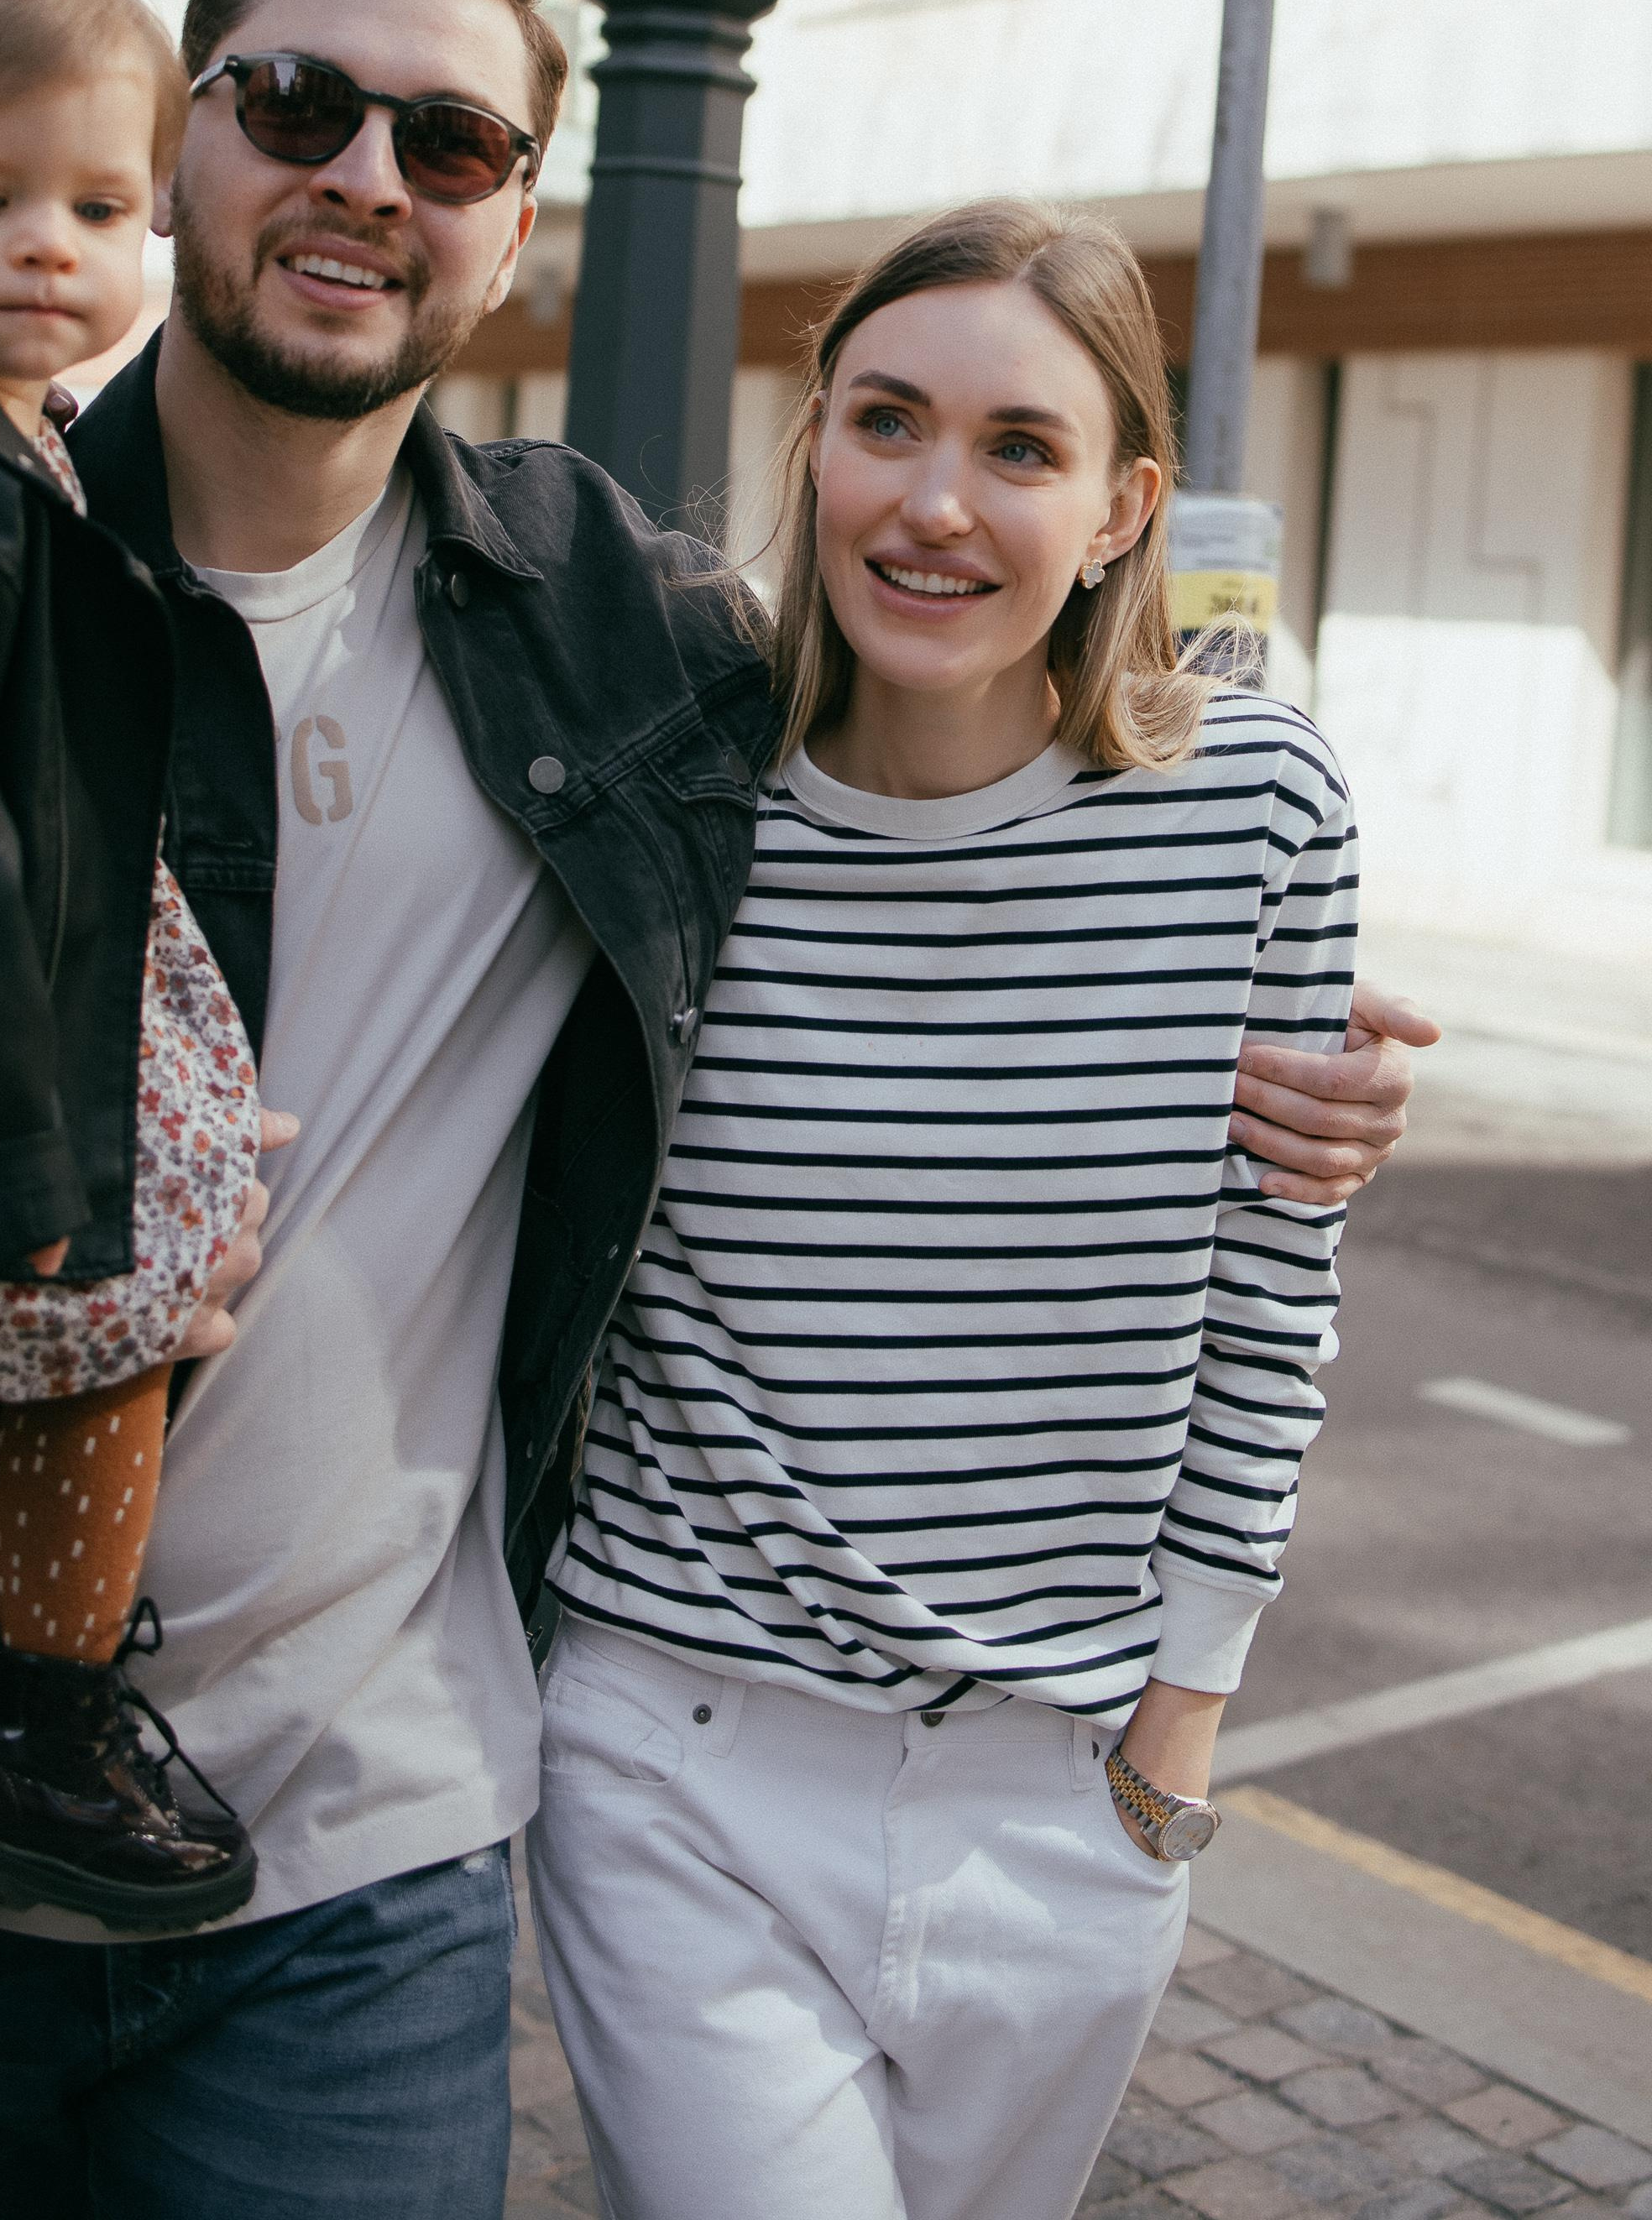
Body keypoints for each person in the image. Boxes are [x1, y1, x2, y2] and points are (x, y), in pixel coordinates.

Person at [0, 0, 1430, 2220]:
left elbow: (959, 747)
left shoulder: (615, 645)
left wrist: (1285, 1059)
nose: (368, 176)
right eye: (300, 105)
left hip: (366, 1861)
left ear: (518, 222)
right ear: (182, 137)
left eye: (447, 143)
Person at [529, 201, 1367, 2220]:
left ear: (1117, 509)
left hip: (1065, 1802)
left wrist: (1174, 1743)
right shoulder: (667, 807)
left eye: (1018, 447)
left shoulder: (1259, 808)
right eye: (886, 421)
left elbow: (1271, 1304)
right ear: (812, 441)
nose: (933, 501)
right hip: (676, 1759)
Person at [0, 0, 283, 1933]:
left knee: (139, 1313)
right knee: (103, 1339)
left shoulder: (30, 447)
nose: (47, 247)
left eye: (98, 204)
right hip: (18, 1064)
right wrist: (26, 1154)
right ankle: (50, 1729)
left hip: (66, 1022)